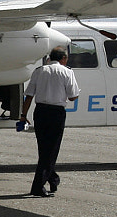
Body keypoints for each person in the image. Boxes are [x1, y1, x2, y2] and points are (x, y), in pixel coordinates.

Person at [18, 45, 80, 197]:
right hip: (56, 113)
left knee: (44, 148)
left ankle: (53, 179)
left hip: (40, 112)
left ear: (49, 58)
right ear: (63, 59)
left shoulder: (39, 71)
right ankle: (38, 186)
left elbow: (29, 95)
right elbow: (73, 96)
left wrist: (23, 115)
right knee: (51, 150)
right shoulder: (67, 72)